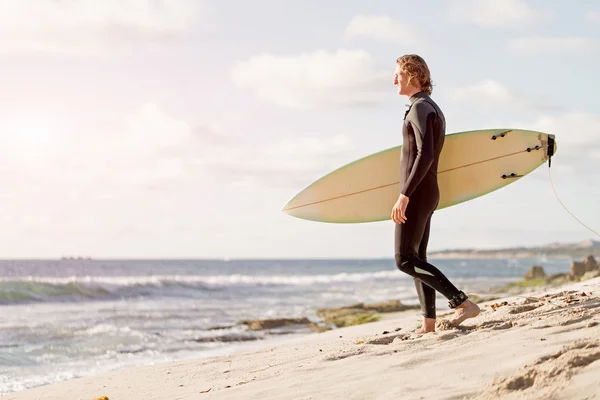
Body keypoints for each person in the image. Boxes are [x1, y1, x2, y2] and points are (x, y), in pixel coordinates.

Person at [391, 54, 480, 333]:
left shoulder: (419, 107)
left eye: (398, 74)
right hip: (426, 190)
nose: (394, 79)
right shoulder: (431, 108)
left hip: (417, 192)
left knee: (405, 259)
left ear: (412, 75)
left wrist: (404, 194)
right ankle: (428, 324)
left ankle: (461, 302)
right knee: (418, 259)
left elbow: (424, 154)